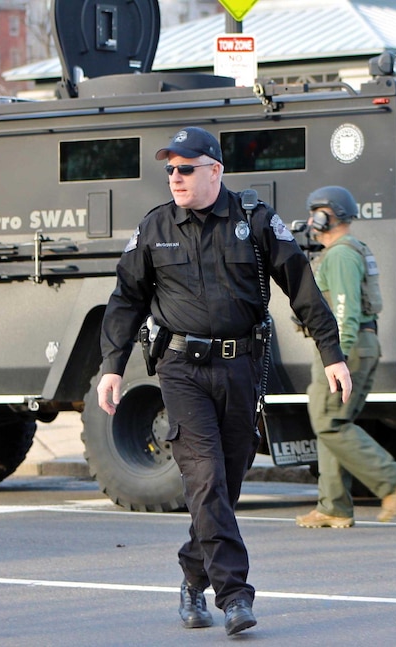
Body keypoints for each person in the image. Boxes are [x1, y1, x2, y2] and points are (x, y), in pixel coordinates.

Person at [96, 127, 351, 635]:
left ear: (215, 169)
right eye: (170, 169)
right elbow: (125, 300)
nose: (175, 177)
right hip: (180, 370)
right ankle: (235, 595)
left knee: (224, 485)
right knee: (205, 477)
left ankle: (193, 578)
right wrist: (111, 366)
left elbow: (301, 286)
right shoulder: (154, 227)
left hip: (240, 367)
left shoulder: (254, 220)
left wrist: (331, 353)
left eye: (186, 168)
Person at [295, 186, 396, 528]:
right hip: (348, 347)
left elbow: (345, 311)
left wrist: (339, 356)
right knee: (329, 421)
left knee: (329, 422)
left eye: (315, 212)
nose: (310, 220)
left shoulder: (341, 255)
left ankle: (393, 480)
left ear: (328, 214)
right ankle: (333, 506)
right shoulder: (347, 251)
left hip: (344, 348)